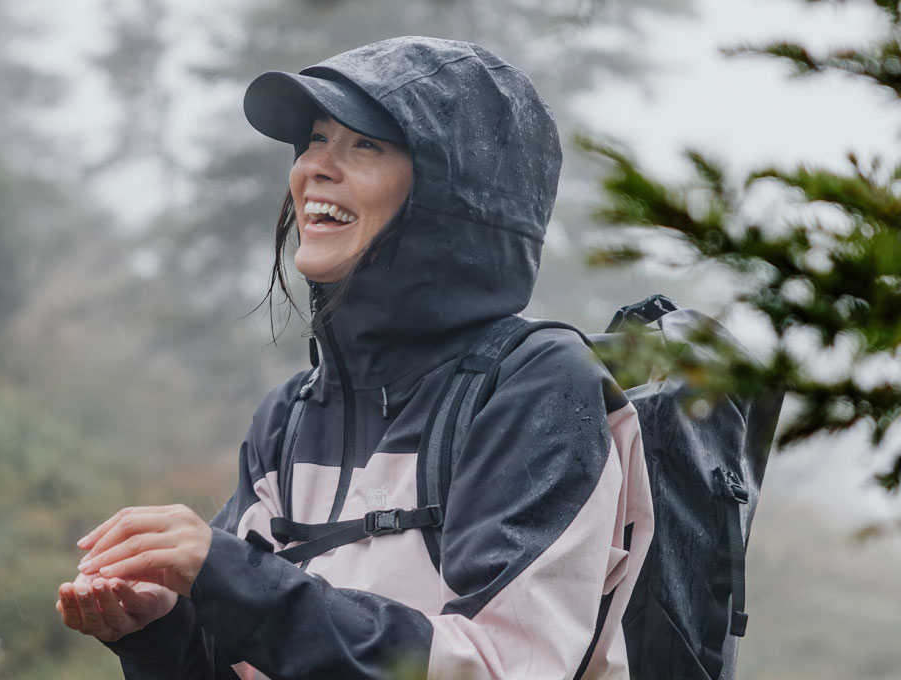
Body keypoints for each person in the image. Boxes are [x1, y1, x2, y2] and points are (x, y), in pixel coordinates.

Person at [57, 36, 654, 679]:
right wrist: (160, 630)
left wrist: (235, 577)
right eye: (316, 138)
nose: (314, 166)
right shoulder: (290, 417)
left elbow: (507, 665)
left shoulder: (537, 387)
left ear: (453, 195)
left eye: (364, 144)